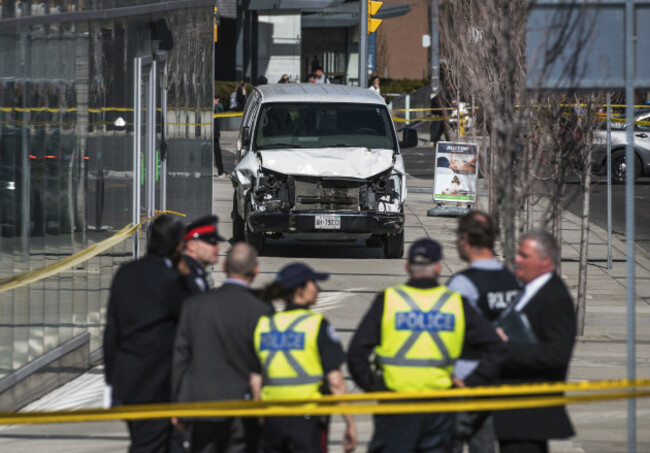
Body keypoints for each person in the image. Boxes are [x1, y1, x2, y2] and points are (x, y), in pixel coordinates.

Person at [348, 238, 506, 453]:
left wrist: (376, 386)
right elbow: (496, 347)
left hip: (395, 405)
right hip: (438, 407)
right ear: (439, 268)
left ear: (407, 266)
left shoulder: (388, 301)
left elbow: (356, 353)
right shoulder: (455, 304)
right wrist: (470, 383)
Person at [172, 242, 273, 453]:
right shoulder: (262, 311)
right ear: (256, 269)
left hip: (202, 406)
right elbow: (268, 364)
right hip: (243, 411)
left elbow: (180, 358)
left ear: (225, 265)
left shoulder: (195, 305)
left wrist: (177, 405)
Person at [251, 262, 357, 453]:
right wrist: (349, 422)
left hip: (271, 418)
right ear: (300, 289)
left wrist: (261, 418)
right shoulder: (316, 325)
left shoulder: (265, 326)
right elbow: (335, 382)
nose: (318, 288)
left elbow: (256, 380)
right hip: (307, 420)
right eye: (313, 283)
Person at [104, 214, 187, 453]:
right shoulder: (172, 280)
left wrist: (112, 381)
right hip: (159, 384)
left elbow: (112, 331)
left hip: (129, 380)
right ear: (177, 246)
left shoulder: (125, 273)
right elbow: (189, 322)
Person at [494, 230, 577, 453]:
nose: (517, 260)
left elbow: (556, 355)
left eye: (524, 256)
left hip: (529, 415)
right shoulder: (527, 290)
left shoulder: (555, 298)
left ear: (545, 261)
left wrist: (505, 349)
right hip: (512, 412)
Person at [447, 211, 521, 453]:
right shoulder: (512, 281)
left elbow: (447, 334)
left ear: (465, 239)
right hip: (499, 380)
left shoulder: (462, 284)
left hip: (464, 380)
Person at [178, 215, 225, 295]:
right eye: (211, 242)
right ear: (192, 245)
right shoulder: (186, 278)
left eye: (216, 243)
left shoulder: (195, 272)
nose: (217, 247)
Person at [213, 95, 225, 177]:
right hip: (210, 133)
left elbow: (220, 111)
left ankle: (221, 171)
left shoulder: (218, 107)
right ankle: (220, 171)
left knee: (217, 153)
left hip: (215, 134)